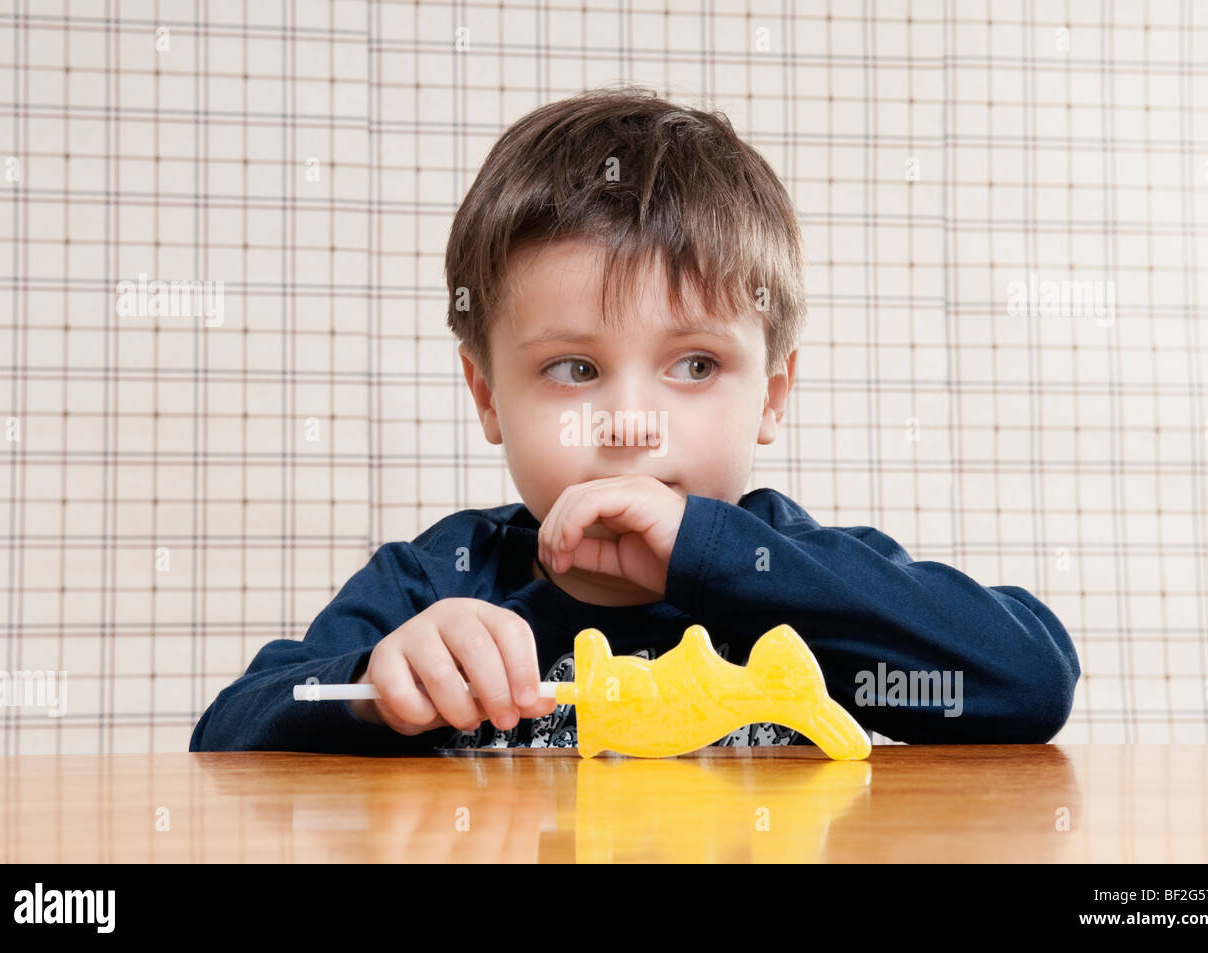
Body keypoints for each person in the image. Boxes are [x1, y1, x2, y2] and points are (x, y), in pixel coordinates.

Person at [190, 85, 1080, 754]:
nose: (628, 425)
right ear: (488, 395)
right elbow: (224, 738)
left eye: (695, 366)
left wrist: (711, 553)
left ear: (771, 394)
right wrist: (373, 687)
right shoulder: (439, 583)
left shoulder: (799, 575)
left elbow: (1031, 679)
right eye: (574, 369)